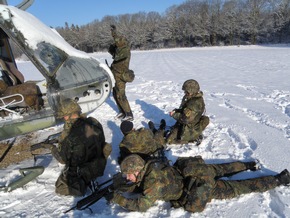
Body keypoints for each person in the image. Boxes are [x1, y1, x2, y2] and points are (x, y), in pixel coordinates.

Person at [106, 154, 290, 213]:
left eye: (129, 175)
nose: (128, 178)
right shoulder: (151, 165)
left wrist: (117, 198)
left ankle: (279, 179)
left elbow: (142, 205)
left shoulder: (153, 184)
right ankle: (249, 164)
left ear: (138, 170)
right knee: (222, 168)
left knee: (239, 187)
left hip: (196, 186)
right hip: (191, 171)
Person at [49, 98, 112, 196]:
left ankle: (84, 180)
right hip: (99, 164)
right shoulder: (93, 122)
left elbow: (62, 159)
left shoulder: (69, 134)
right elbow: (101, 141)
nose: (63, 118)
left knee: (60, 188)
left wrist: (52, 148)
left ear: (68, 115)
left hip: (84, 171)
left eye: (64, 116)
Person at [166, 79, 210, 145]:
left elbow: (186, 119)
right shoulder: (189, 97)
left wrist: (174, 115)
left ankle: (192, 139)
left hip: (188, 127)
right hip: (187, 122)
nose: (185, 93)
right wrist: (177, 111)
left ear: (191, 91)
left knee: (169, 140)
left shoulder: (195, 103)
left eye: (186, 92)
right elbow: (184, 109)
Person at [108, 24, 133, 121]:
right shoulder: (120, 50)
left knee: (121, 95)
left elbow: (117, 41)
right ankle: (122, 111)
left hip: (121, 75)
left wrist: (114, 33)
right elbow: (112, 50)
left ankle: (129, 113)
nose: (117, 44)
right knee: (115, 94)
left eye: (119, 43)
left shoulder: (125, 50)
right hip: (115, 74)